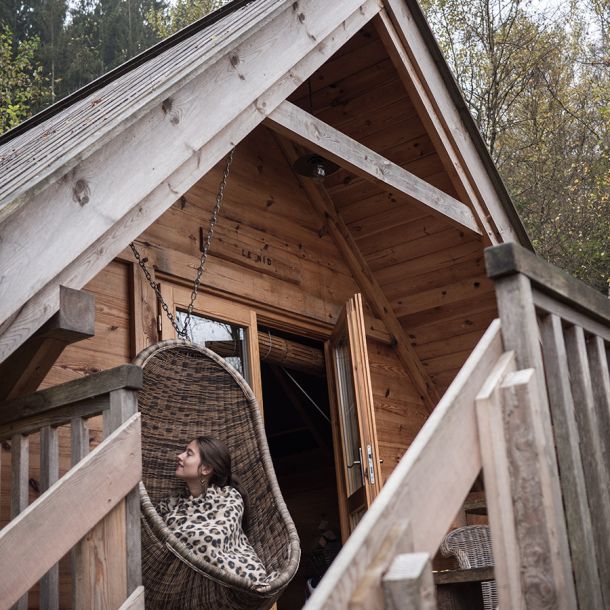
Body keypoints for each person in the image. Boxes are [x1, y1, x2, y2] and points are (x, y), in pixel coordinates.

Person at [156, 436, 274, 587]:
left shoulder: (229, 497)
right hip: (183, 582)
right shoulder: (172, 503)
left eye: (189, 453)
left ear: (205, 469)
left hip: (238, 581)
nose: (180, 456)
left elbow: (211, 540)